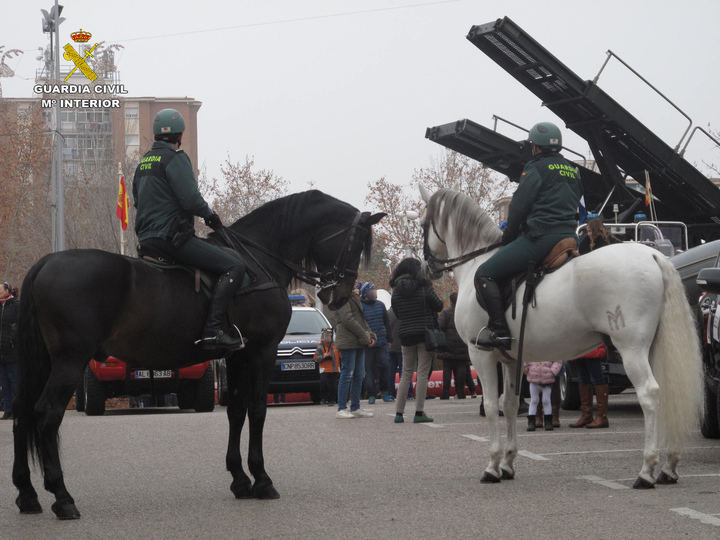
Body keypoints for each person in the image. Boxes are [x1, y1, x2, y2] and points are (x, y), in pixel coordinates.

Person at [132, 108, 246, 353]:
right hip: (172, 240)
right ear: (179, 135)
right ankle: (213, 329)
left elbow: (137, 202)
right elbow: (190, 199)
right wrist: (211, 217)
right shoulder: (175, 158)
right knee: (233, 266)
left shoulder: (143, 163)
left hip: (146, 240)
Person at [472, 122, 583, 350]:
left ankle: (499, 331)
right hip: (570, 237)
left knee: (484, 274)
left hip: (541, 238)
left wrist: (508, 237)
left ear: (536, 148)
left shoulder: (535, 168)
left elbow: (519, 207)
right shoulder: (573, 169)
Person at [390, 258, 443, 423]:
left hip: (406, 334)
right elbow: (439, 306)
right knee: (422, 373)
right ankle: (419, 412)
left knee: (406, 372)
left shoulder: (396, 291)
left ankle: (399, 413)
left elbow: (397, 312)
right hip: (425, 333)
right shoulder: (424, 286)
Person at [325, 284, 376, 419]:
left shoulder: (354, 296)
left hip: (358, 341)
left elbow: (361, 319)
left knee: (359, 374)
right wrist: (364, 335)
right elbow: (347, 319)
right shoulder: (341, 296)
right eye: (353, 280)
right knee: (347, 373)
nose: (356, 282)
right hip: (348, 340)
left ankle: (355, 407)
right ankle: (341, 408)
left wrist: (370, 334)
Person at [360, 282, 393, 403]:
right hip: (368, 345)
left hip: (382, 343)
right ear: (365, 293)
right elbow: (360, 326)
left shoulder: (381, 305)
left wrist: (389, 339)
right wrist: (365, 339)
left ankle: (385, 392)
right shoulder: (361, 307)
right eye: (372, 290)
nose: (374, 292)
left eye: (375, 289)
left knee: (385, 366)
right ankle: (371, 394)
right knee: (369, 370)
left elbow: (387, 323)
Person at [438, 292, 468, 399]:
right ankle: (461, 392)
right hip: (462, 345)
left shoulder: (445, 313)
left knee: (447, 370)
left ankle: (445, 393)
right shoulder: (464, 313)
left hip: (448, 346)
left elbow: (440, 326)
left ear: (450, 301)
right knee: (461, 369)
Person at [524, 360, 562, 431]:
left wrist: (553, 371)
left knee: (546, 400)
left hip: (547, 379)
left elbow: (558, 359)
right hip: (533, 379)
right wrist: (525, 367)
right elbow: (525, 357)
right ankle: (531, 422)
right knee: (534, 401)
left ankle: (548, 422)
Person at [0, 282, 18, 419]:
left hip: (12, 350)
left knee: (14, 380)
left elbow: (21, 324)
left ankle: (16, 409)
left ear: (7, 290)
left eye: (0, 289)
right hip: (1, 351)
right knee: (4, 382)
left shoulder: (16, 305)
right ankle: (7, 409)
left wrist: (13, 338)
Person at [313, 328, 341, 405]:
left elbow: (341, 357)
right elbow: (315, 358)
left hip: (335, 370)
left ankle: (332, 400)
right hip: (324, 370)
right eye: (326, 336)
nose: (328, 338)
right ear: (323, 337)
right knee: (324, 386)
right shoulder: (320, 346)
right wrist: (323, 357)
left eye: (329, 336)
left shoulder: (336, 346)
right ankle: (324, 398)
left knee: (333, 386)